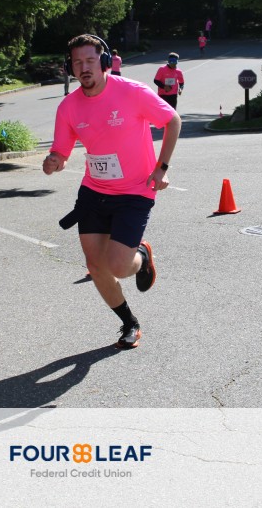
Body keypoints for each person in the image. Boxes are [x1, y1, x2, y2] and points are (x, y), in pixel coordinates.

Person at [43, 34, 181, 349]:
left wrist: (161, 168)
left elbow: (172, 121)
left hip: (135, 191)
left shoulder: (132, 92)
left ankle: (142, 255)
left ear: (104, 62)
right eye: (77, 62)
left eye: (90, 60)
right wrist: (54, 161)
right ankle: (129, 323)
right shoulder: (68, 106)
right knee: (95, 265)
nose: (84, 68)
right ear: (70, 68)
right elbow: (61, 152)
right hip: (94, 191)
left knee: (118, 265)